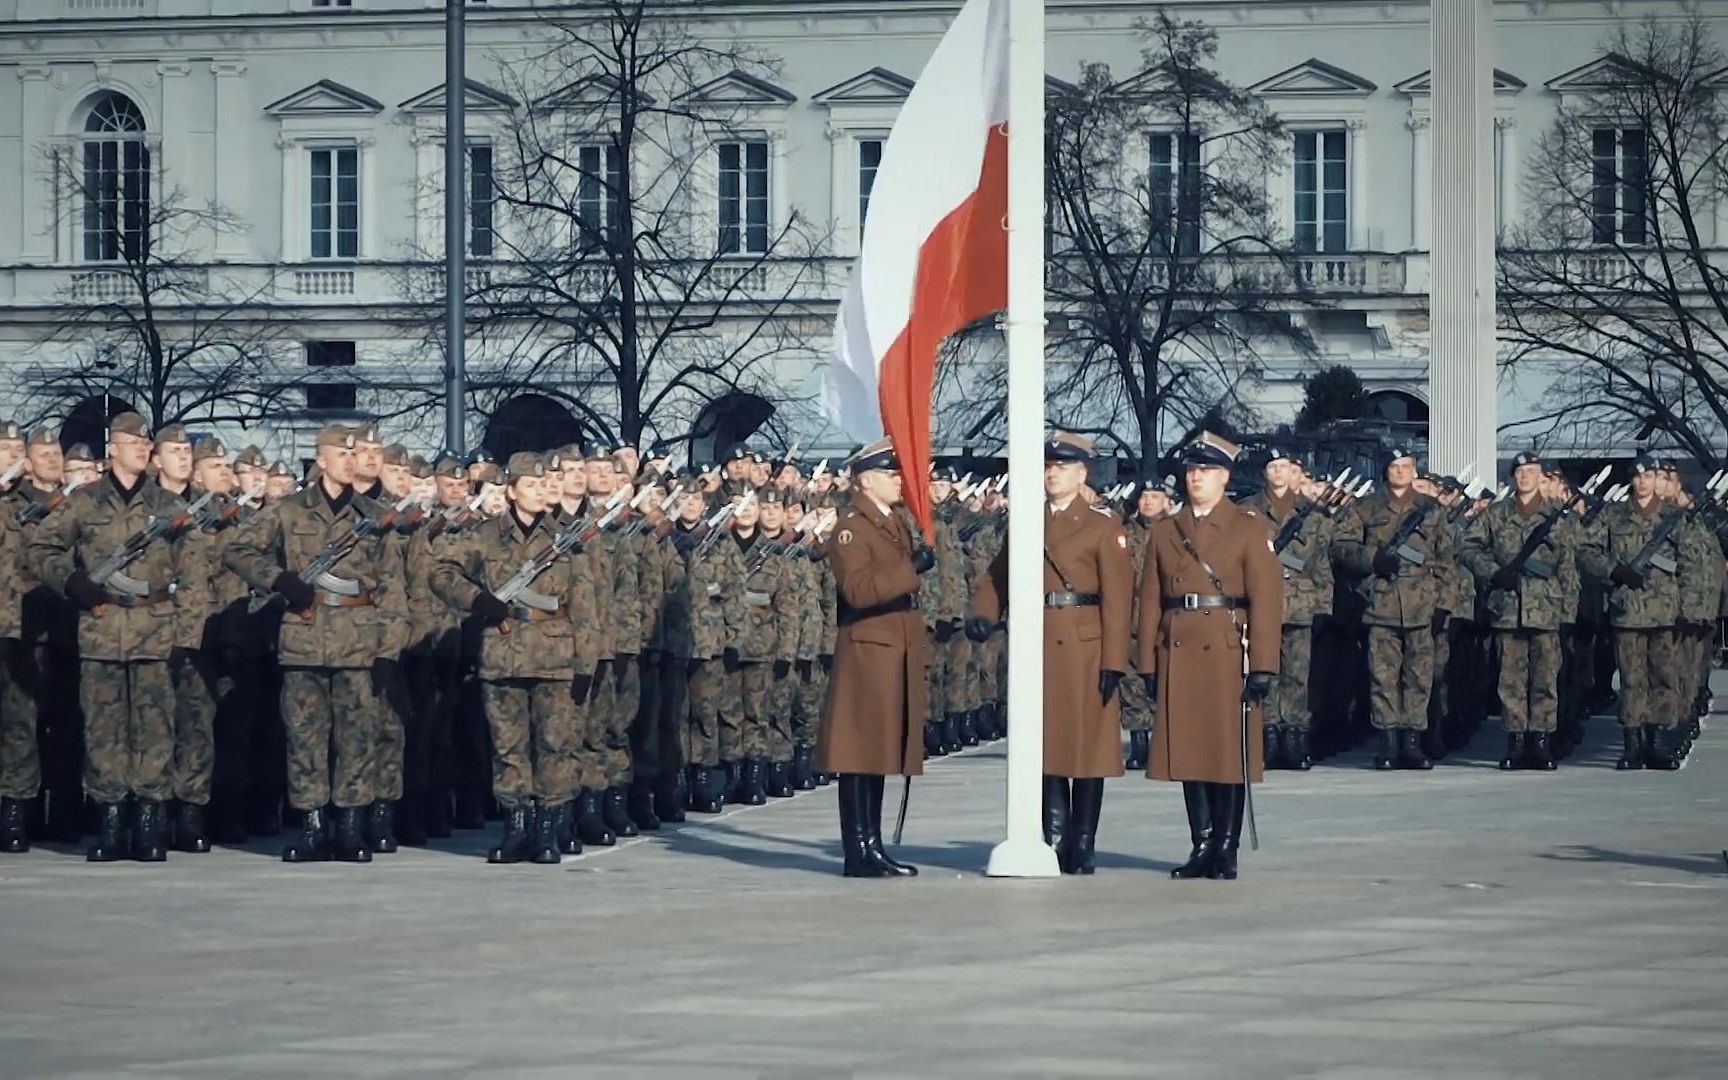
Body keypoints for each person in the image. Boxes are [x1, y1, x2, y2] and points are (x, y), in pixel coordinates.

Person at [223, 424, 411, 862]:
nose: (350, 460)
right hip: (304, 641)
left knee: (356, 739)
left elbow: (393, 589)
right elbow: (237, 548)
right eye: (340, 454)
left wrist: (388, 650)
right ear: (321, 460)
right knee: (305, 739)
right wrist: (279, 579)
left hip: (358, 642)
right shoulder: (289, 511)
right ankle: (311, 826)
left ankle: (349, 828)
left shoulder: (373, 517)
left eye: (354, 454)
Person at [30, 413, 200, 862]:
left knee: (155, 733)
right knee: (103, 731)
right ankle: (109, 824)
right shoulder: (84, 502)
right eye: (133, 442)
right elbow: (41, 549)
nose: (142, 448)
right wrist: (72, 581)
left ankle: (147, 826)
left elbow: (195, 575)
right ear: (112, 448)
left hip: (155, 630)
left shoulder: (168, 506)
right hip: (102, 629)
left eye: (146, 442)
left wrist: (186, 636)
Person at [968, 432, 1132, 875]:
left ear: (1082, 474)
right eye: (1048, 466)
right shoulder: (1027, 521)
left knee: (1089, 749)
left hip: (1084, 643)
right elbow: (997, 576)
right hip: (1037, 642)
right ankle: (1055, 837)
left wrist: (1114, 659)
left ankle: (1083, 840)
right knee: (1046, 746)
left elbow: (1119, 599)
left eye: (1062, 466)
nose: (1052, 472)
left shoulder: (1102, 527)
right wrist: (984, 613)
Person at [430, 453, 601, 864]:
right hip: (503, 654)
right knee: (509, 748)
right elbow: (440, 571)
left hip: (556, 653)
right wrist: (477, 599)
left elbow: (586, 603)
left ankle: (548, 829)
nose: (541, 491)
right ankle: (516, 827)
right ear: (511, 491)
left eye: (546, 485)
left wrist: (586, 663)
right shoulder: (484, 536)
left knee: (554, 746)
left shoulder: (565, 538)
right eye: (531, 485)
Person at [1134, 432, 1282, 881]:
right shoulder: (1166, 530)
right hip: (1179, 650)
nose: (1196, 478)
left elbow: (1267, 600)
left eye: (1206, 471)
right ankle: (1201, 843)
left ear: (1224, 477)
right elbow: (1150, 600)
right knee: (1190, 753)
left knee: (1227, 753)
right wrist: (1146, 661)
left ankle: (1226, 847)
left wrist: (1263, 665)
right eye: (1192, 471)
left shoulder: (1249, 528)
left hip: (1225, 650)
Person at [814, 437, 931, 878]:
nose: (898, 480)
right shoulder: (851, 528)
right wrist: (910, 571)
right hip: (868, 651)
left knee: (878, 754)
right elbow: (858, 591)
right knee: (858, 757)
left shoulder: (891, 522)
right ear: (865, 481)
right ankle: (857, 850)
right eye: (889, 473)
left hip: (892, 649)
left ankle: (872, 845)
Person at [1330, 446, 1456, 770]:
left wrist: (1444, 604)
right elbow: (1341, 546)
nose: (1400, 472)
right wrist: (1372, 559)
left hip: (1422, 604)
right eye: (1395, 466)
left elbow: (1446, 560)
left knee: (1419, 677)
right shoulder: (1365, 507)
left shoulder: (1431, 509)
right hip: (1381, 603)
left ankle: (1412, 742)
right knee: (1383, 677)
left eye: (1406, 466)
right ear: (1385, 470)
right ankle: (1388, 743)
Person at [1459, 451, 1581, 771]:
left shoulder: (1558, 517)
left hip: (1546, 609)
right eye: (1520, 471)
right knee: (1510, 680)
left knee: (1544, 679)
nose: (1526, 476)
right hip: (1509, 609)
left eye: (1532, 471)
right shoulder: (1496, 515)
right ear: (1513, 477)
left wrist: (1567, 614)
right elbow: (1468, 547)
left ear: (1541, 476)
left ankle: (1541, 742)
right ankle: (1515, 742)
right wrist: (1494, 572)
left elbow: (1569, 568)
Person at [1579, 453, 1687, 770]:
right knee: (1631, 680)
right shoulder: (1613, 515)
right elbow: (1586, 549)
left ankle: (1657, 743)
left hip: (1665, 611)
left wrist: (1689, 607)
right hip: (1627, 612)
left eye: (1649, 476)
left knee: (1663, 678)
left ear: (1657, 479)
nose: (1642, 483)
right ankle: (1633, 744)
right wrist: (1614, 571)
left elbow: (1691, 564)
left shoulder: (1674, 517)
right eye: (1637, 477)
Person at [1241, 448, 1332, 771]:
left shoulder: (1311, 514)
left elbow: (1321, 564)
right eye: (1272, 467)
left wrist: (1323, 606)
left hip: (1300, 601)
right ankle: (1269, 735)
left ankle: (1294, 737)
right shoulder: (1247, 511)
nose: (1278, 473)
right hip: (1261, 602)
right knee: (1265, 671)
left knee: (1297, 674)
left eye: (1283, 466)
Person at [1119, 477, 1170, 770]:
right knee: (1131, 685)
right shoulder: (1125, 533)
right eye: (1144, 496)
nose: (1148, 501)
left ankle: (1164, 744)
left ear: (1166, 501)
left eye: (1155, 496)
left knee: (1162, 683)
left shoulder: (1175, 532)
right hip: (1129, 619)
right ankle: (1140, 745)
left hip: (1163, 619)